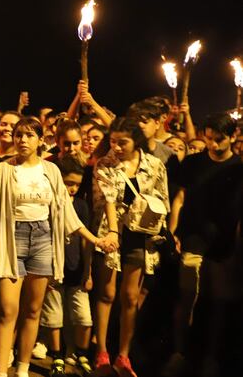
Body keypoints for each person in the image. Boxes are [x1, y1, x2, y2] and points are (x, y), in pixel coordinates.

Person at [0, 117, 106, 377]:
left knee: (33, 309)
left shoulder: (50, 170)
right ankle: (0, 371)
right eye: (19, 135)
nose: (22, 140)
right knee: (7, 309)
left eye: (30, 135)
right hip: (12, 238)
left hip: (43, 238)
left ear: (41, 140)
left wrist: (96, 239)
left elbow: (66, 213)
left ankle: (22, 367)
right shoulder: (4, 170)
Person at [91, 116, 169, 377]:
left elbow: (163, 200)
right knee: (107, 293)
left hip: (141, 234)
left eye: (122, 142)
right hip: (113, 231)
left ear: (136, 140)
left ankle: (123, 355)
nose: (117, 147)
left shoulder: (155, 165)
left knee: (131, 297)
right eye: (112, 142)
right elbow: (108, 200)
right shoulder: (106, 164)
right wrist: (113, 230)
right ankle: (101, 352)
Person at [165, 113, 243, 376]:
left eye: (218, 140)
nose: (212, 145)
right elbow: (180, 198)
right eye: (208, 139)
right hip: (193, 240)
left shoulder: (239, 168)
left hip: (224, 246)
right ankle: (181, 353)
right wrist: (174, 232)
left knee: (218, 302)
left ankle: (211, 356)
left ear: (233, 137)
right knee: (189, 297)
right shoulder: (195, 163)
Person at [38, 156, 95, 377]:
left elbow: (85, 241)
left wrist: (88, 271)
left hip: (77, 270)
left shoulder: (81, 206)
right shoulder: (49, 204)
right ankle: (57, 355)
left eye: (76, 185)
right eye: (68, 183)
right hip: (53, 270)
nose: (72, 189)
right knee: (53, 316)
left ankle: (81, 353)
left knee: (84, 316)